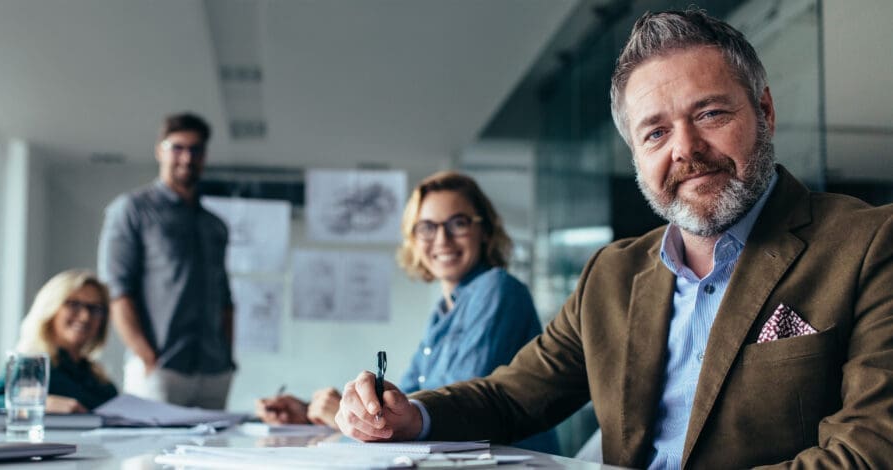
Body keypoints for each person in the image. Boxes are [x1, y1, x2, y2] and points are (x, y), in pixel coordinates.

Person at [334, 9, 893, 469]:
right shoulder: (611, 275)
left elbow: (869, 451)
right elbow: (511, 395)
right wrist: (412, 415)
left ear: (764, 111)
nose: (685, 148)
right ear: (635, 156)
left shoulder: (868, 244)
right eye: (655, 132)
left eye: (711, 113)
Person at [257, 171, 559, 453]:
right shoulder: (443, 309)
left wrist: (348, 409)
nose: (442, 239)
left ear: (484, 230)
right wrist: (323, 411)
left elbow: (457, 403)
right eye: (427, 227)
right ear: (414, 239)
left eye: (458, 223)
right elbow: (409, 399)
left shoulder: (497, 289)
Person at [97, 112, 235, 409]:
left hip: (215, 371)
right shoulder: (131, 210)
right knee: (149, 456)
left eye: (196, 149)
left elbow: (225, 297)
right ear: (160, 150)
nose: (187, 158)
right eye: (178, 147)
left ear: (204, 156)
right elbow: (117, 289)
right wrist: (146, 356)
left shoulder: (215, 225)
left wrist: (228, 358)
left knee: (214, 454)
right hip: (161, 369)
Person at [0, 270, 118, 423]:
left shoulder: (100, 380)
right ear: (51, 308)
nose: (85, 316)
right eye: (74, 304)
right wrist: (42, 403)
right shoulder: (31, 365)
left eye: (95, 309)